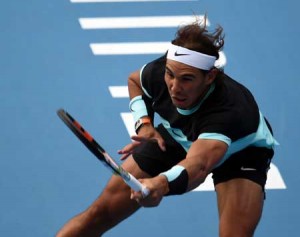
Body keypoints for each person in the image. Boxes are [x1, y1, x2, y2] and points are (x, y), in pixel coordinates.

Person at [55, 16, 278, 237]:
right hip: (179, 134)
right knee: (99, 214)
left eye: (187, 79)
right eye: (170, 75)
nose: (174, 87)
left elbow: (198, 166)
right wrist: (144, 124)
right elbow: (135, 82)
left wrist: (160, 184)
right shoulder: (160, 73)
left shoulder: (228, 112)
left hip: (241, 153)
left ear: (210, 76)